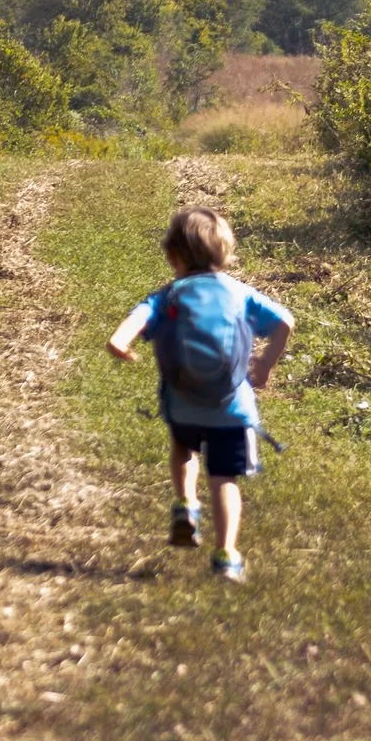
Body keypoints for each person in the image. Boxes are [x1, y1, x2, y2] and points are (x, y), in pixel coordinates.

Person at [107, 207, 293, 582]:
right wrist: (265, 365)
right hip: (232, 407)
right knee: (224, 479)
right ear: (225, 253)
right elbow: (285, 322)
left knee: (184, 449)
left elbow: (128, 327)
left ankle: (187, 505)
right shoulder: (239, 293)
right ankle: (226, 556)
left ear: (173, 256)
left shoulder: (168, 296)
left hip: (182, 402)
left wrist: (120, 344)